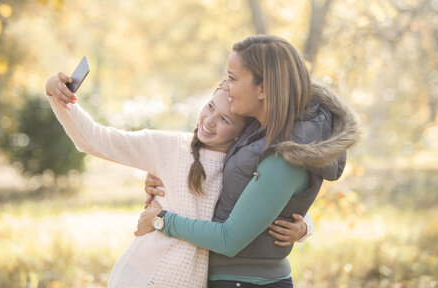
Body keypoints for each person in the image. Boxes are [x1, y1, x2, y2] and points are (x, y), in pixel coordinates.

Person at [138, 34, 362, 287]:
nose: (227, 87)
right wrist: (166, 177)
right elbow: (245, 194)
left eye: (233, 79)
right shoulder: (259, 131)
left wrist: (162, 219)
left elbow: (230, 239)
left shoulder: (285, 157)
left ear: (263, 89)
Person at [45, 76, 312, 288]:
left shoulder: (242, 167)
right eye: (210, 106)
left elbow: (271, 202)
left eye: (224, 119)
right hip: (143, 274)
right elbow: (97, 139)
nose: (208, 121)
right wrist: (59, 97)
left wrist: (304, 227)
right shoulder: (168, 146)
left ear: (243, 132)